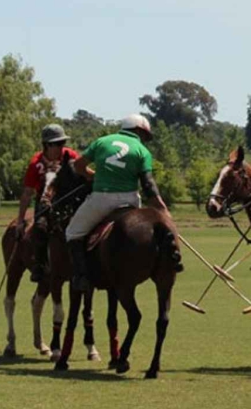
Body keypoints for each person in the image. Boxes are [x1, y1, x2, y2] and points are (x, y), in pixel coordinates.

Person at [63, 114, 174, 292]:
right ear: (139, 131)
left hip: (101, 199)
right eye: (145, 136)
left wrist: (92, 175)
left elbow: (78, 165)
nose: (144, 140)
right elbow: (147, 183)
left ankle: (81, 277)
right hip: (129, 199)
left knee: (73, 232)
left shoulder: (102, 142)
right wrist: (161, 207)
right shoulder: (142, 151)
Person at [15, 124, 80, 281]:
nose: (60, 147)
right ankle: (40, 265)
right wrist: (19, 221)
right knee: (40, 227)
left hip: (68, 199)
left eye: (62, 143)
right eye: (56, 144)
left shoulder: (70, 156)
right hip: (44, 201)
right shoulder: (35, 163)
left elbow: (82, 175)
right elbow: (27, 193)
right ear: (46, 145)